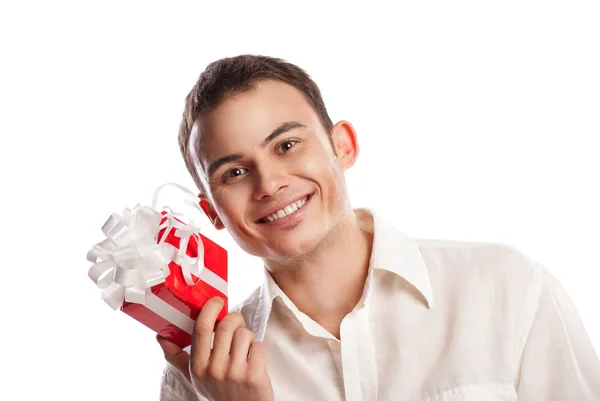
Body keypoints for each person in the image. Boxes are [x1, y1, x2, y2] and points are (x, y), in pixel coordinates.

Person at [157, 54, 600, 401]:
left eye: (287, 145)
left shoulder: (506, 287)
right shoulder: (199, 379)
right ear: (211, 210)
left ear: (343, 146)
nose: (270, 183)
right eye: (234, 173)